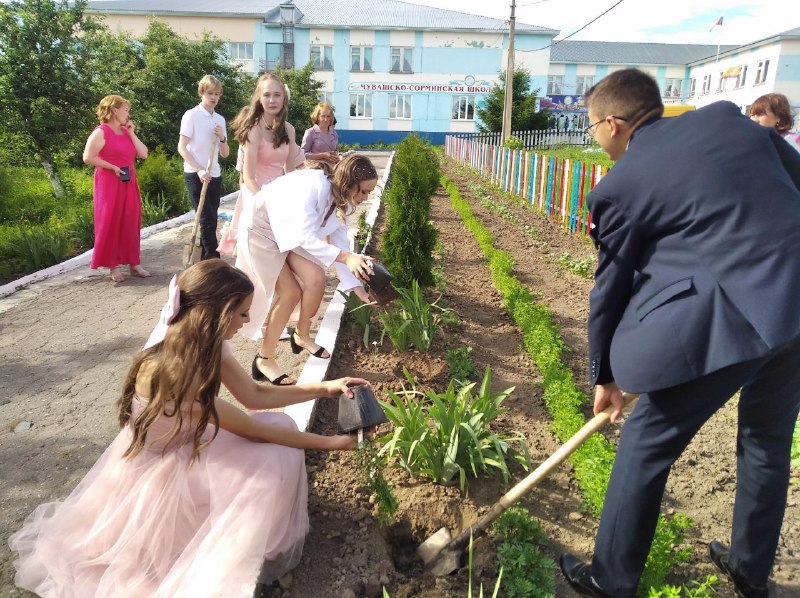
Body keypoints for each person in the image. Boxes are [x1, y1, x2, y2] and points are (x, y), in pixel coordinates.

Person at [558, 69, 800, 598]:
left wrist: (606, 375)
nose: (594, 138)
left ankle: (610, 579)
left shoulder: (620, 186)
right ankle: (748, 569)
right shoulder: (731, 124)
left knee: (646, 441)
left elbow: (610, 288)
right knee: (767, 440)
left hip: (738, 313)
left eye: (592, 126)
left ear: (615, 124)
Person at [8, 259, 368, 597]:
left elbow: (254, 394)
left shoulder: (203, 339)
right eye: (242, 313)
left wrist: (327, 386)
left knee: (280, 424)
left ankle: (243, 535)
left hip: (185, 439)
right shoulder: (178, 371)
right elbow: (251, 429)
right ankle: (231, 547)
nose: (245, 321)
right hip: (163, 469)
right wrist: (329, 443)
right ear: (217, 313)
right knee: (272, 462)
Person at [236, 154, 377, 385]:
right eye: (363, 191)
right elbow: (305, 236)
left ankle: (301, 336)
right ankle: (265, 358)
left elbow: (341, 246)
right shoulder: (314, 186)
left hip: (287, 233)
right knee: (290, 292)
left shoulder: (344, 201)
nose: (365, 197)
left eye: (369, 192)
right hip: (261, 230)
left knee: (316, 279)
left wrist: (357, 288)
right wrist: (346, 257)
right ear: (350, 183)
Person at [83, 95, 150, 283]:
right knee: (111, 221)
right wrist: (111, 167)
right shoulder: (101, 132)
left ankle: (134, 264)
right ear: (114, 110)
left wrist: (132, 133)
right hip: (109, 182)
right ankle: (113, 266)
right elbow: (88, 157)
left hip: (128, 181)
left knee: (131, 220)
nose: (128, 113)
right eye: (126, 110)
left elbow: (143, 154)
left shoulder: (125, 131)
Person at [178, 74, 230, 261]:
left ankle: (205, 261)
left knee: (212, 219)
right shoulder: (191, 115)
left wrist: (222, 137)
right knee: (206, 219)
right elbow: (182, 148)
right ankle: (213, 260)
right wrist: (199, 169)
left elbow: (225, 153)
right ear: (202, 93)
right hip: (195, 173)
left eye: (217, 94)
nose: (213, 97)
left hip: (214, 173)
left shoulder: (220, 119)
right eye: (210, 93)